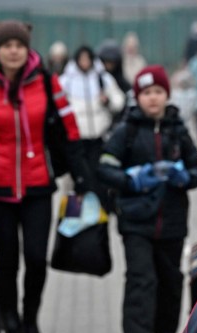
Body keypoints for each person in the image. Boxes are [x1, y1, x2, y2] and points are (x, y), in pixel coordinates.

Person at [0, 19, 90, 333]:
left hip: (38, 186)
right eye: (7, 46)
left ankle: (31, 322)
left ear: (27, 47)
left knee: (35, 258)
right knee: (7, 261)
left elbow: (69, 129)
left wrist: (81, 176)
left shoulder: (47, 82)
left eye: (19, 45)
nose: (14, 51)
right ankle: (12, 327)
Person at [97, 65, 197, 333]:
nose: (153, 98)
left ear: (166, 94)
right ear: (137, 97)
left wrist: (184, 177)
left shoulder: (178, 129)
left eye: (158, 91)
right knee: (141, 282)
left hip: (172, 223)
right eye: (146, 93)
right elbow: (105, 167)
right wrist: (131, 180)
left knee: (170, 282)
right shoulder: (126, 130)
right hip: (135, 223)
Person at [59, 45, 126, 210]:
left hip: (99, 137)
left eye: (87, 59)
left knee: (98, 179)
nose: (85, 62)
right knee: (76, 181)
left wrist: (107, 102)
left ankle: (99, 217)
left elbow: (119, 100)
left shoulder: (102, 78)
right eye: (81, 59)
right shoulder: (66, 80)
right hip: (76, 138)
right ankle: (73, 218)